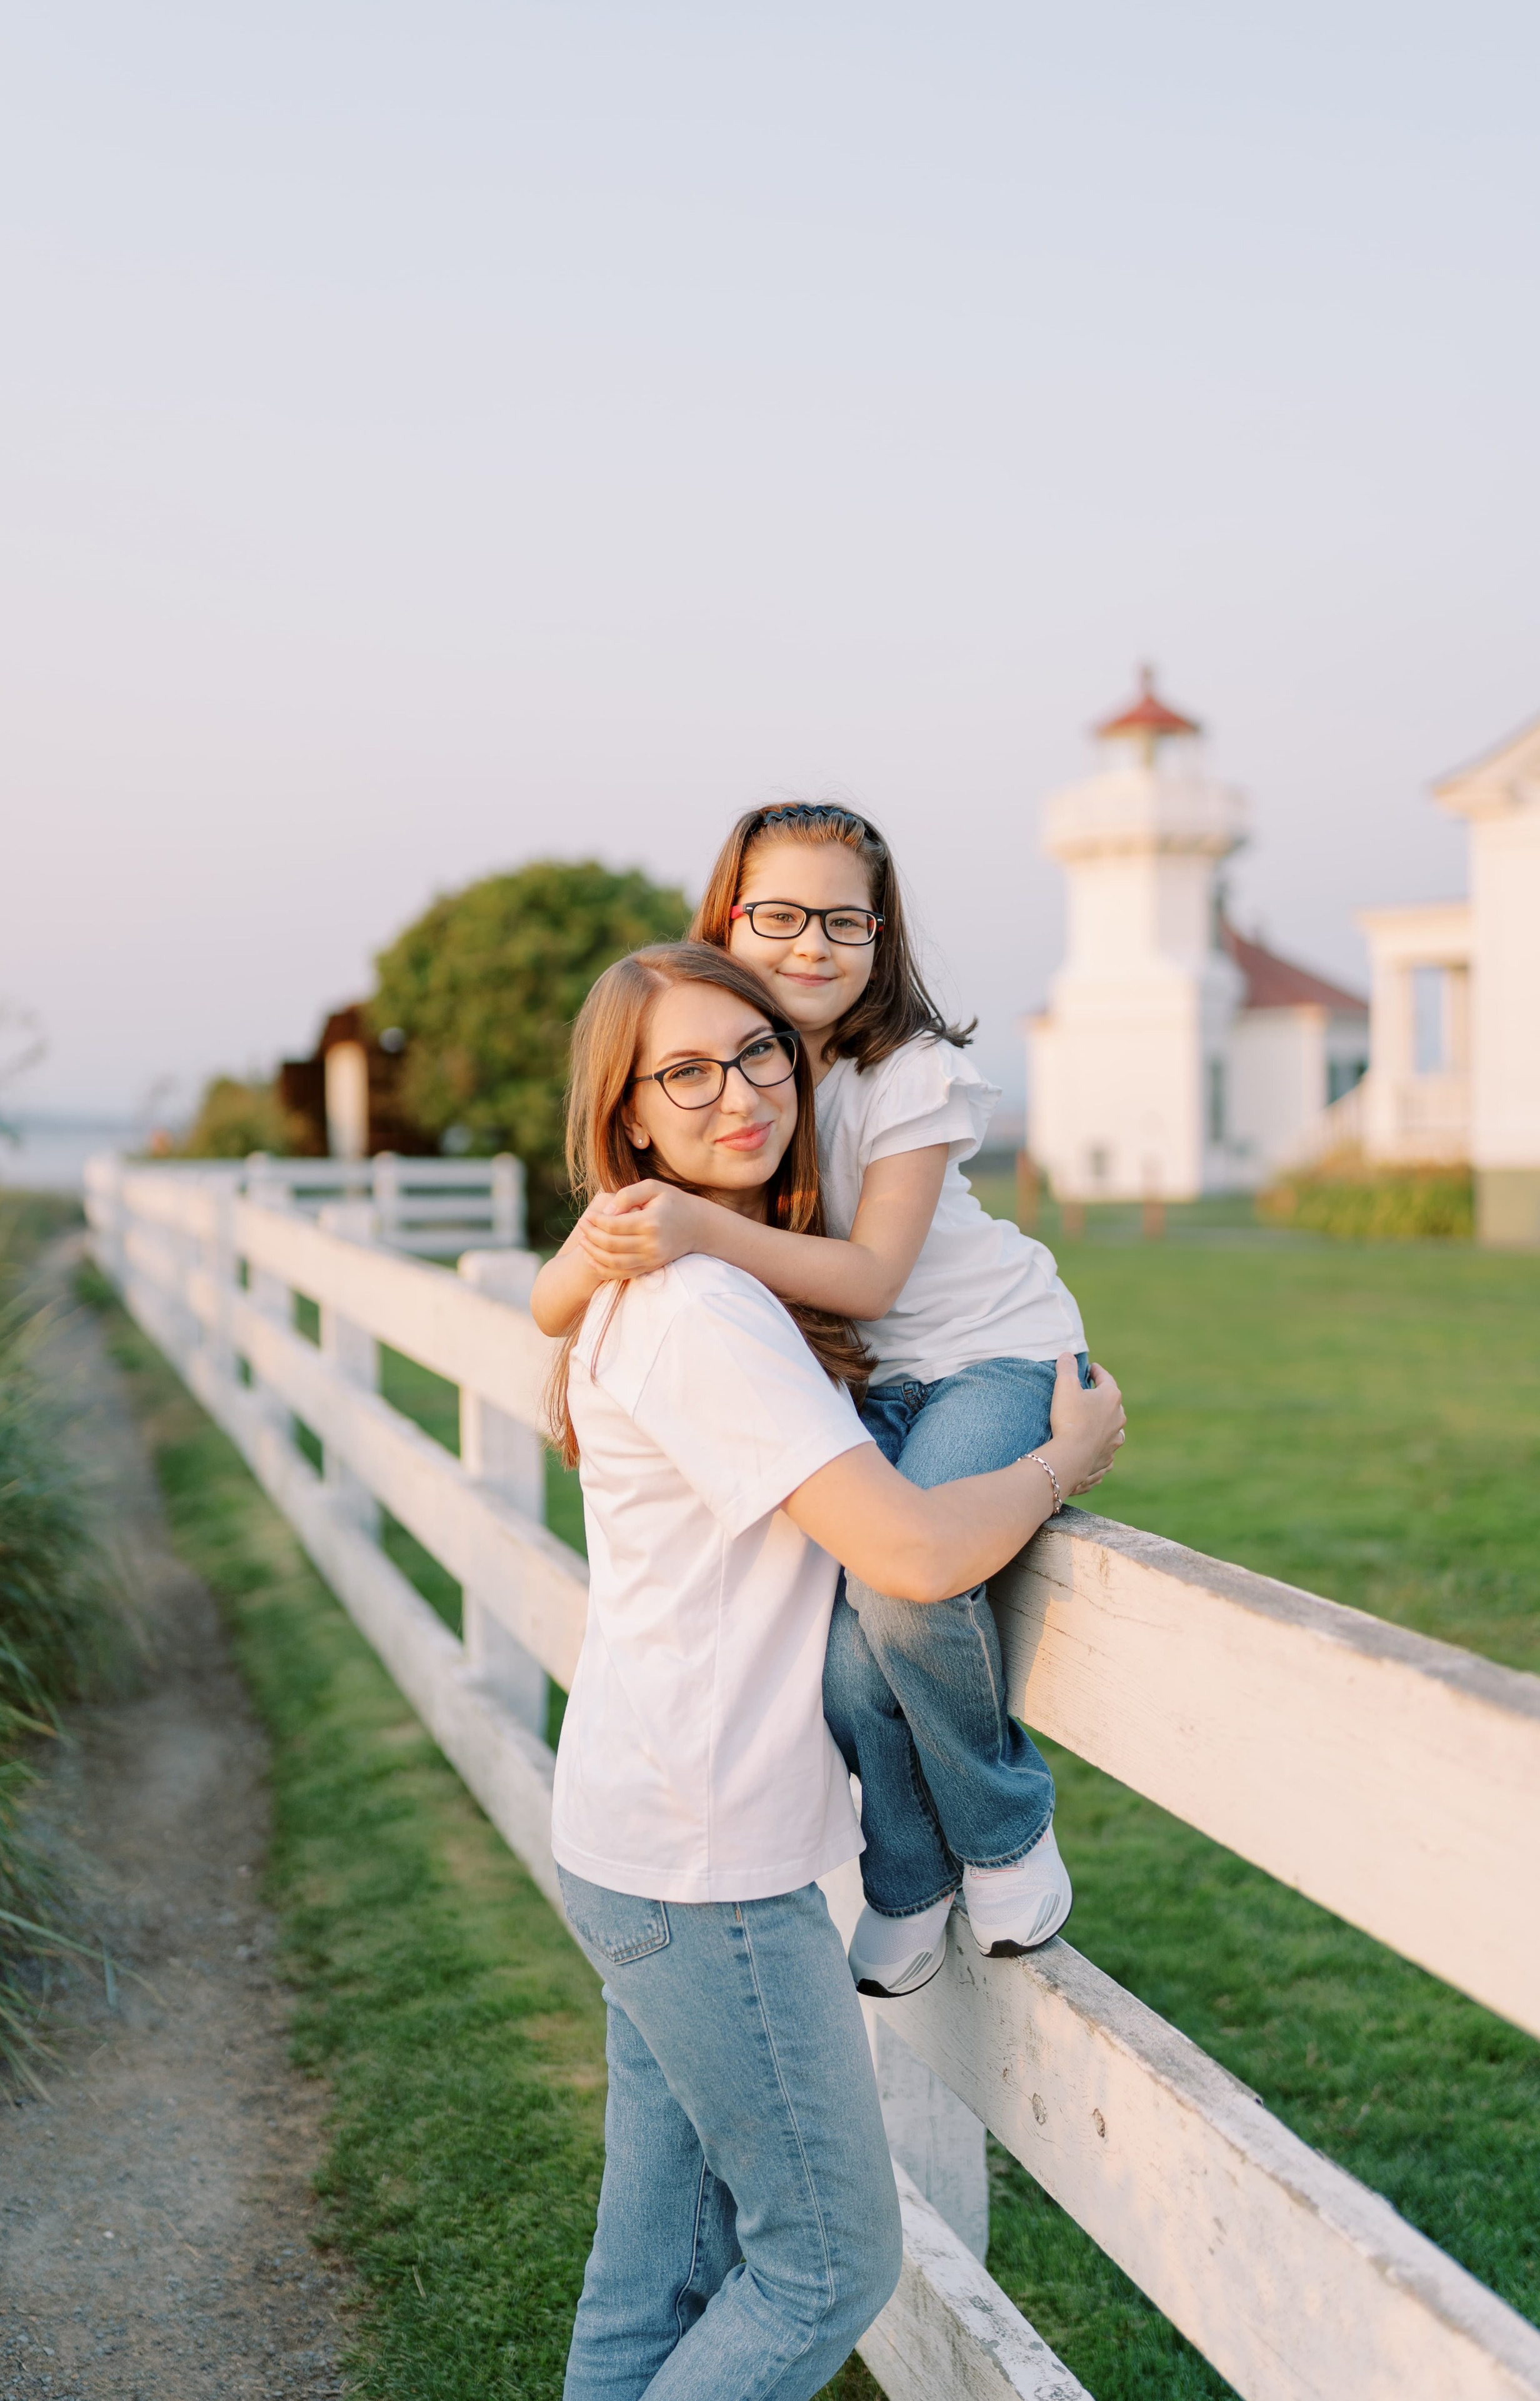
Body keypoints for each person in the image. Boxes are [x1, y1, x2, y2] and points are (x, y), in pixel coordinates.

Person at [534, 941, 1124, 2399]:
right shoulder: (701, 1313)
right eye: (685, 1071)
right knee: (824, 2262)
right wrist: (1060, 1461)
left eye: (755, 1055)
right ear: (627, 1120)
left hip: (636, 1829)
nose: (736, 1092)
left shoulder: (688, 1273)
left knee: (656, 2269)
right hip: (704, 1857)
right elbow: (914, 1555)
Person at [533, 804, 1096, 1998]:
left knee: (904, 1592)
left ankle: (1000, 1830)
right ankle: (908, 1868)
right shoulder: (746, 1073)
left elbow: (874, 1278)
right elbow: (549, 1295)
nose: (811, 945)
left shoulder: (908, 1075)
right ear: (727, 921)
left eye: (846, 920)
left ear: (880, 935)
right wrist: (588, 1290)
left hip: (990, 1357)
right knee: (851, 1669)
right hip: (885, 1381)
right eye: (778, 915)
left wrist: (689, 1226)